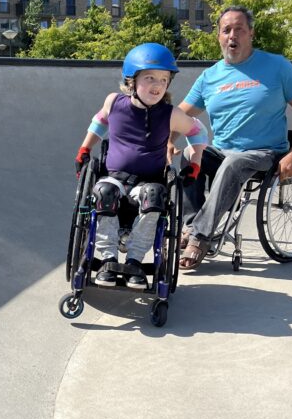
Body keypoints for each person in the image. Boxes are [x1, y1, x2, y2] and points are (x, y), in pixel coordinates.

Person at [172, 6, 292, 272]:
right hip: (221, 151)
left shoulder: (277, 66)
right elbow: (181, 113)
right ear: (218, 36)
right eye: (226, 30)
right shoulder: (210, 77)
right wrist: (169, 138)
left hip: (265, 153)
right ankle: (191, 224)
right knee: (189, 154)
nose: (233, 36)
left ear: (250, 33)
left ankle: (200, 237)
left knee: (235, 163)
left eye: (239, 29)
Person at [74, 42, 208, 290]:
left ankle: (134, 261)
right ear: (131, 80)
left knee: (155, 195)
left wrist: (196, 163)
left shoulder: (170, 113)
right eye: (150, 78)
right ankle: (108, 260)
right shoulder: (114, 102)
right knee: (104, 192)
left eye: (163, 80)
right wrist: (85, 149)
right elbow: (100, 121)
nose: (157, 85)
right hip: (113, 178)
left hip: (148, 183)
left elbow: (198, 132)